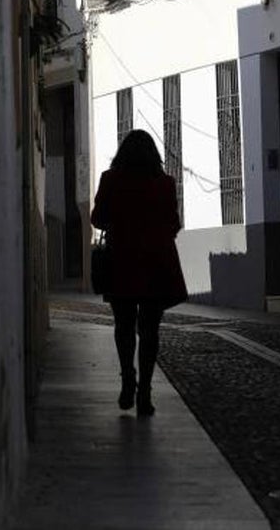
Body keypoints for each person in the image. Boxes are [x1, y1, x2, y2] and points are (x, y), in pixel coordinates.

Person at [90, 129, 187, 416]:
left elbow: (97, 219)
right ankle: (145, 391)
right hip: (156, 265)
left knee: (123, 326)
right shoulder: (165, 183)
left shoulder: (111, 179)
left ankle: (127, 379)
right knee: (149, 330)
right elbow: (174, 222)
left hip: (122, 263)